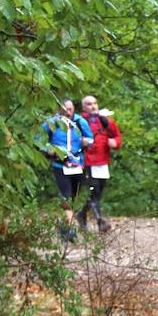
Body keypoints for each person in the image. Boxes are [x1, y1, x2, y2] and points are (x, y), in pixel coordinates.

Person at [40, 99, 93, 242]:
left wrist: (86, 142)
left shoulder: (80, 122)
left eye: (70, 109)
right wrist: (48, 149)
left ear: (73, 109)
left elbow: (91, 138)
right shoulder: (51, 123)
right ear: (59, 109)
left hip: (77, 164)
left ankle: (64, 226)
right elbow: (38, 140)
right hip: (60, 164)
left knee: (74, 197)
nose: (67, 112)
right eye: (64, 109)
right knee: (66, 196)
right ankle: (69, 231)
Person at [77, 95, 122, 232]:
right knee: (94, 191)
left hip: (103, 162)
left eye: (95, 103)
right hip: (87, 162)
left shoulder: (105, 121)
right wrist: (81, 142)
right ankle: (100, 221)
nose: (93, 106)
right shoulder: (79, 121)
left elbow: (117, 136)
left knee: (96, 194)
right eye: (89, 104)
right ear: (84, 107)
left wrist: (115, 143)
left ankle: (81, 214)